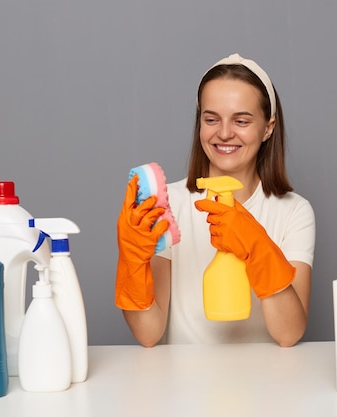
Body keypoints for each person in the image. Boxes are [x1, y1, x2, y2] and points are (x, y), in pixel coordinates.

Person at [115, 53, 315, 347]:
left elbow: (289, 334)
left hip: (269, 384)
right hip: (183, 384)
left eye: (241, 120)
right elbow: (148, 334)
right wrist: (132, 261)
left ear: (268, 128)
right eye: (211, 119)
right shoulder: (168, 205)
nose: (223, 133)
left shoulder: (293, 211)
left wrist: (258, 248)